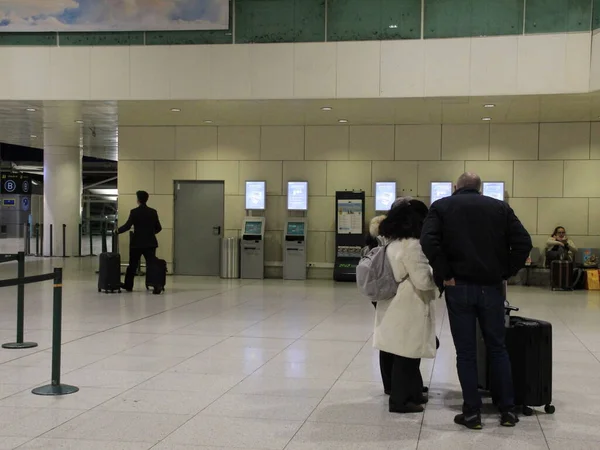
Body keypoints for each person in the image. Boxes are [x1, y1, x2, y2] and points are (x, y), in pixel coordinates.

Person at [421, 173, 532, 429]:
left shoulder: (442, 206)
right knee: (497, 347)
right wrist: (506, 271)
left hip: (458, 286)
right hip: (492, 288)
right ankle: (507, 411)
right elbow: (523, 242)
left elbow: (428, 240)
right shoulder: (500, 207)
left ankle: (472, 412)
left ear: (456, 187)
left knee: (466, 351)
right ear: (480, 188)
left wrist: (445, 272)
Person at [374, 198, 437, 414]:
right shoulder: (413, 244)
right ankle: (400, 401)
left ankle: (411, 393)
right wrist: (437, 275)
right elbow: (423, 281)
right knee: (407, 355)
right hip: (410, 305)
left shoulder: (393, 242)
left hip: (393, 303)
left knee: (401, 352)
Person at [117, 190, 162, 292]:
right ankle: (156, 285)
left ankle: (128, 285)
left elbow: (127, 226)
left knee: (132, 265)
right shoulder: (153, 212)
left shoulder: (134, 212)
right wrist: (150, 233)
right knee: (151, 265)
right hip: (150, 243)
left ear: (138, 200)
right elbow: (159, 228)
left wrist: (117, 231)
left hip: (136, 243)